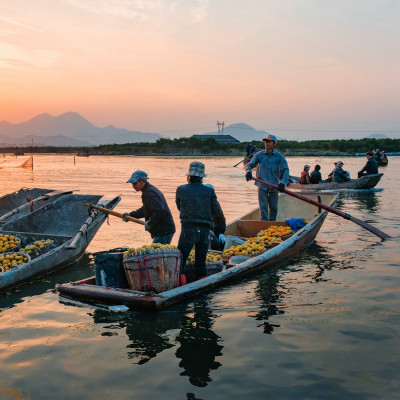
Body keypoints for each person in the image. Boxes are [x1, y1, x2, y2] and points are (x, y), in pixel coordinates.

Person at [176, 161, 225, 284]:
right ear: (202, 177)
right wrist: (219, 230)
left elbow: (179, 206)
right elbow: (217, 211)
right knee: (200, 261)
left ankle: (181, 286)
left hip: (188, 229)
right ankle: (201, 286)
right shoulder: (208, 191)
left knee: (180, 260)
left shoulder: (181, 189)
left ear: (189, 176)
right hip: (204, 230)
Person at [122, 170, 175, 244]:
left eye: (135, 183)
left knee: (157, 253)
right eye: (132, 184)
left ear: (143, 181)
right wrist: (131, 215)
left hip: (164, 231)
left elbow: (159, 211)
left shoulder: (149, 193)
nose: (133, 186)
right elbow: (145, 209)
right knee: (157, 252)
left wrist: (150, 223)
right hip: (164, 230)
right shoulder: (148, 190)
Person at [245, 134, 289, 221]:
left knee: (274, 209)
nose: (267, 143)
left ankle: (271, 226)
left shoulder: (279, 156)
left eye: (269, 142)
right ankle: (264, 228)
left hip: (274, 186)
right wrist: (248, 172)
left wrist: (283, 183)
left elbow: (286, 170)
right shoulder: (259, 155)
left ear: (274, 144)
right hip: (262, 185)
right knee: (263, 209)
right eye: (266, 141)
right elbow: (249, 165)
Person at [204, 184, 226, 251]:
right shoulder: (201, 204)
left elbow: (221, 219)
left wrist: (221, 232)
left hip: (215, 231)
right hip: (205, 231)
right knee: (216, 242)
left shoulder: (216, 204)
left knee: (222, 242)